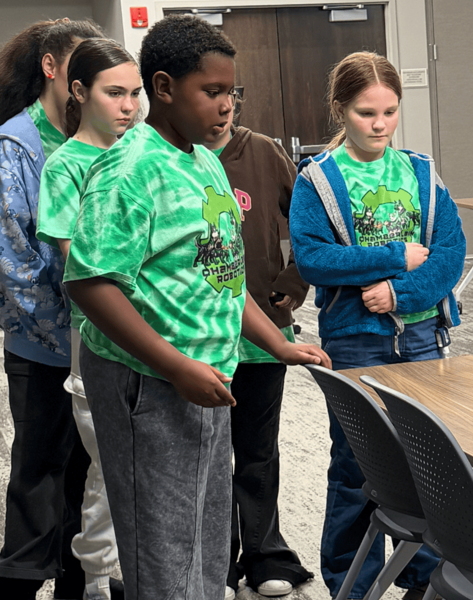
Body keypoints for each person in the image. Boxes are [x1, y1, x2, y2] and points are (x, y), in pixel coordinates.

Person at [62, 15, 330, 600]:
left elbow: (223, 275)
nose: (226, 105)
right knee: (163, 552)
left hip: (206, 374)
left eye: (231, 91)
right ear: (163, 87)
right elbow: (90, 283)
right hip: (148, 380)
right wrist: (176, 366)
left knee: (206, 544)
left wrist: (277, 343)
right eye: (211, 91)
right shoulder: (128, 170)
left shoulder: (204, 161)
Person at [289, 51, 465, 599]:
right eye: (366, 113)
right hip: (355, 340)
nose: (380, 125)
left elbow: (450, 253)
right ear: (340, 109)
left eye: (390, 112)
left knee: (427, 463)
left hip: (423, 338)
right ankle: (354, 586)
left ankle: (424, 581)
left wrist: (398, 293)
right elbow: (312, 258)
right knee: (357, 465)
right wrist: (392, 257)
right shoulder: (318, 180)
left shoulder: (421, 172)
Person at [34, 37, 141, 600]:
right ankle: (97, 579)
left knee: (144, 463)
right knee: (109, 464)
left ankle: (127, 572)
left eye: (135, 94)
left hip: (158, 331)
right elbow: (79, 261)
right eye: (115, 93)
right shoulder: (66, 166)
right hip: (96, 334)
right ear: (78, 91)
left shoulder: (142, 153)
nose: (129, 106)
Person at [0, 18, 104, 599]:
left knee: (89, 479)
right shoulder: (17, 144)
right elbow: (14, 264)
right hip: (43, 342)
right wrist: (71, 325)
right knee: (39, 474)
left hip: (103, 339)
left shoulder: (102, 139)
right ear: (51, 67)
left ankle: (77, 582)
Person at [203, 100, 314, 600]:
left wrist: (293, 281)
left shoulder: (265, 153)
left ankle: (265, 553)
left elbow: (311, 223)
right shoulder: (172, 158)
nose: (222, 106)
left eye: (228, 94)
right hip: (198, 339)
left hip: (265, 334)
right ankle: (217, 563)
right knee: (208, 457)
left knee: (258, 450)